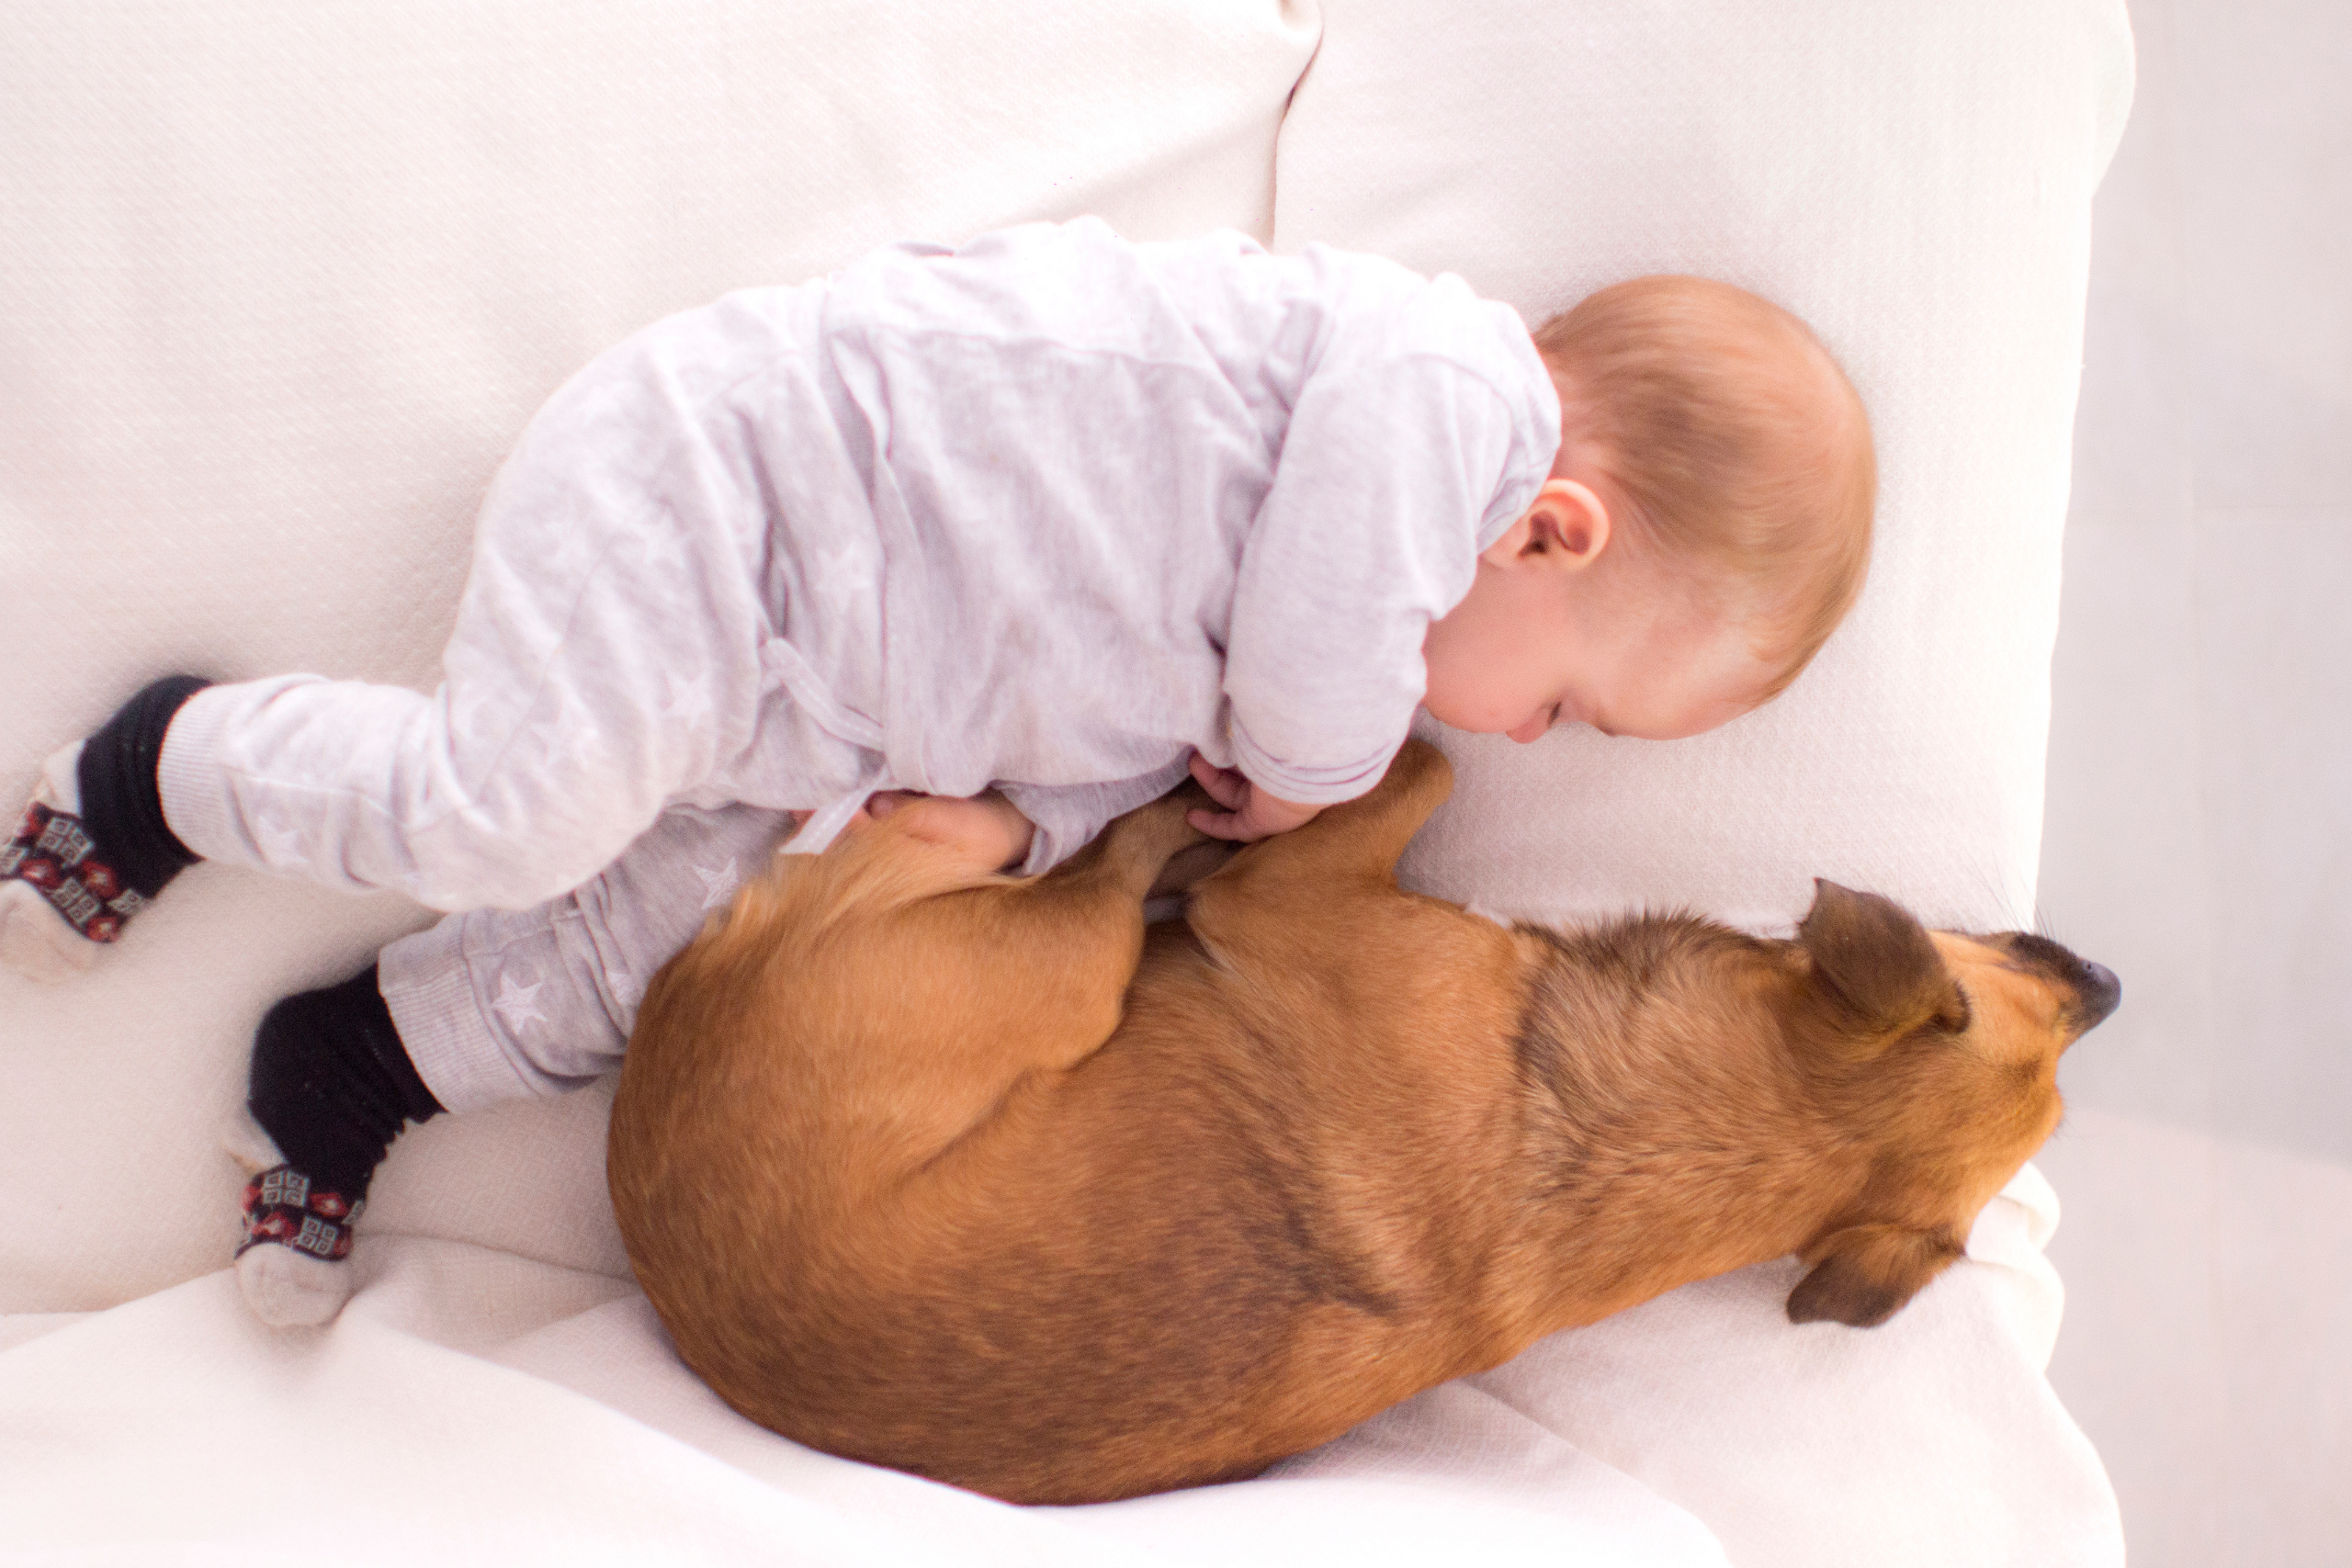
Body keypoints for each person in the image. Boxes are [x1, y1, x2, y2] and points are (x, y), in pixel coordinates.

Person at [0, 219, 1875, 1324]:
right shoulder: (1429, 391)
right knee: (517, 812)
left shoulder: (1308, 635)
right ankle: (166, 765)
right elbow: (1316, 631)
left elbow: (1109, 744)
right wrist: (1306, 774)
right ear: (1550, 530)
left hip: (824, 704)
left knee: (681, 943)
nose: (1497, 738)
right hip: (731, 499)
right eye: (1562, 711)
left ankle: (356, 1062)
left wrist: (1020, 828)